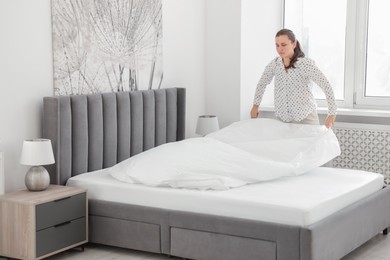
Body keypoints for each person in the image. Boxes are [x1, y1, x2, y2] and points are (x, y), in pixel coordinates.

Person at [250, 28, 337, 128]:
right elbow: (262, 83)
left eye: (284, 45)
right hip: (282, 119)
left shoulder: (305, 64)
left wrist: (332, 113)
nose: (280, 49)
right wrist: (255, 105)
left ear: (293, 44)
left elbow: (325, 85)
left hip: (306, 119)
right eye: (277, 45)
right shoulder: (274, 64)